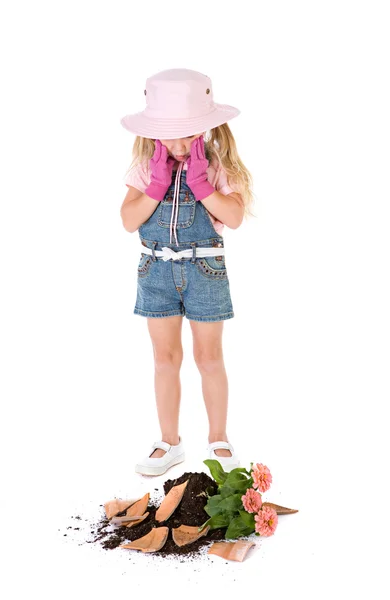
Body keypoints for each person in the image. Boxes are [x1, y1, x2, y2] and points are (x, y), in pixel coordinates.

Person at [120, 68, 255, 476]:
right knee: (165, 358)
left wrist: (202, 185)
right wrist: (157, 185)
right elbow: (129, 220)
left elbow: (233, 217)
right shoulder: (146, 169)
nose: (178, 144)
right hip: (156, 269)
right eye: (169, 133)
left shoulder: (216, 168)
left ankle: (218, 438)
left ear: (206, 131)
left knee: (208, 356)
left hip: (205, 269)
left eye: (188, 134)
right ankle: (169, 441)